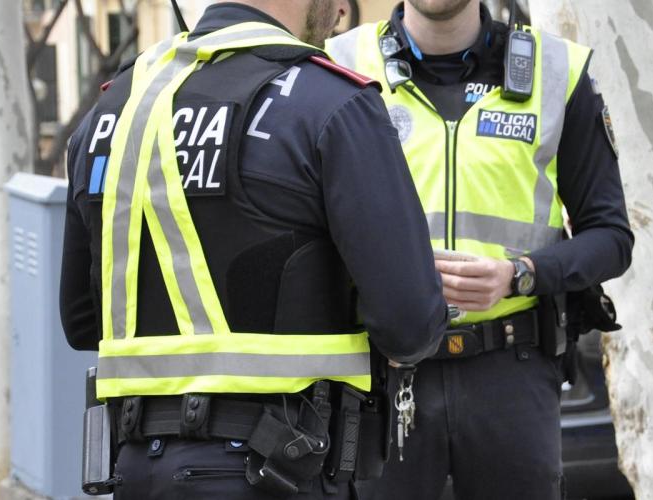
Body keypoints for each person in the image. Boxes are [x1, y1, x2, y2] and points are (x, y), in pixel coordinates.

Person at [60, 1, 451, 499]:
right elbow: (410, 325)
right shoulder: (332, 102)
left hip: (136, 469)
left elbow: (82, 321)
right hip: (276, 467)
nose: (341, 11)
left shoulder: (113, 107)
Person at [326, 1, 634, 499]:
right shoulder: (337, 63)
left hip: (512, 372)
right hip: (379, 372)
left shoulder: (558, 71)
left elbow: (612, 238)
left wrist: (521, 274)